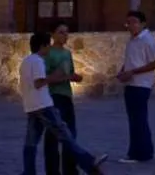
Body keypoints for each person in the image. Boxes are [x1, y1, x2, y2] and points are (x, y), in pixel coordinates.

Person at [18, 32, 106, 175]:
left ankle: (28, 171)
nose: (49, 49)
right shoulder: (38, 61)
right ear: (43, 46)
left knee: (31, 143)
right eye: (48, 46)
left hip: (31, 105)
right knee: (65, 136)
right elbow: (39, 82)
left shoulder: (26, 61)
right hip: (43, 105)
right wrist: (56, 75)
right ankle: (88, 162)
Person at [114, 11, 155, 164]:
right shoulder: (132, 40)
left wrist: (132, 72)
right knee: (135, 119)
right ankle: (141, 151)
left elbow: (154, 63)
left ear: (143, 23)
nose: (131, 26)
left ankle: (140, 154)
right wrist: (123, 71)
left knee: (138, 119)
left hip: (141, 84)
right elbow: (131, 60)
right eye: (128, 22)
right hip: (131, 83)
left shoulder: (147, 40)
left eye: (134, 22)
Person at [42, 23, 84, 175]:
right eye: (60, 32)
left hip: (66, 96)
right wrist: (61, 77)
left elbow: (69, 73)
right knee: (54, 135)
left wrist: (75, 77)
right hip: (54, 97)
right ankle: (52, 170)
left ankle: (69, 169)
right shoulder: (48, 54)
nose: (64, 36)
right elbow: (45, 78)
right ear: (53, 35)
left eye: (66, 33)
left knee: (71, 133)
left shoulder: (67, 54)